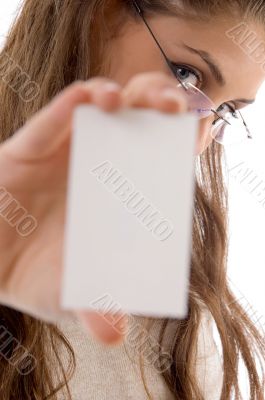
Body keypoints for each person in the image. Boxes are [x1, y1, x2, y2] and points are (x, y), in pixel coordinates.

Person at [0, 0, 264, 398]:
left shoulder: (185, 326)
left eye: (225, 110)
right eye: (186, 75)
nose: (196, 142)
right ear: (96, 17)